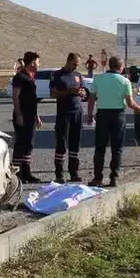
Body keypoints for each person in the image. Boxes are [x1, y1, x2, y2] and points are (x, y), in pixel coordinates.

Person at [86, 55, 140, 187]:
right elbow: (130, 103)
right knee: (117, 148)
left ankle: (97, 178)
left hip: (102, 115)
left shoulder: (98, 79)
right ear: (121, 67)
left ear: (109, 65)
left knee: (100, 148)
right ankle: (114, 178)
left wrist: (89, 114)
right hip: (118, 115)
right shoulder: (125, 81)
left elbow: (91, 98)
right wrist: (138, 107)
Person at [50, 53, 87, 183]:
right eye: (74, 64)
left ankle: (74, 173)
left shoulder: (78, 75)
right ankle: (59, 175)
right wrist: (68, 92)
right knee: (61, 144)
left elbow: (83, 91)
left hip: (77, 113)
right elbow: (52, 93)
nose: (76, 67)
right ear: (68, 61)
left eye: (78, 65)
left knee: (75, 144)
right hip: (63, 114)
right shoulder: (57, 75)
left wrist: (82, 92)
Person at [11, 52, 44, 182]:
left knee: (29, 144)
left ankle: (27, 173)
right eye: (38, 62)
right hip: (22, 115)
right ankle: (16, 174)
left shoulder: (30, 77)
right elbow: (15, 96)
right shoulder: (20, 77)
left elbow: (32, 100)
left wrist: (36, 116)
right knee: (21, 143)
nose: (39, 64)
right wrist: (19, 114)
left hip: (31, 115)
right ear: (33, 63)